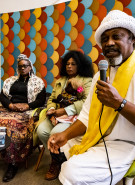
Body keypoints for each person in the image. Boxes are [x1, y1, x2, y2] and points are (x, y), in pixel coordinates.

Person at [47, 10, 135, 185]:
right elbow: (86, 116)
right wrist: (65, 134)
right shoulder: (100, 76)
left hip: (132, 144)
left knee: (71, 172)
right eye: (105, 39)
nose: (109, 43)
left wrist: (119, 103)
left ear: (132, 39)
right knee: (61, 141)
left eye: (116, 36)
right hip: (100, 137)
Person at [0, 54, 46, 182]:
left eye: (25, 66)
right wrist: (10, 105)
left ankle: (13, 163)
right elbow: (2, 97)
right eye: (20, 66)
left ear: (30, 67)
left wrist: (27, 105)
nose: (22, 68)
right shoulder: (10, 80)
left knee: (12, 126)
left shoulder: (38, 82)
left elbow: (41, 100)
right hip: (9, 108)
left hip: (28, 110)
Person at [36, 50, 93, 180]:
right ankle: (58, 158)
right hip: (56, 116)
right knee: (41, 131)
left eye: (73, 64)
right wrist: (51, 108)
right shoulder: (60, 81)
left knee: (54, 134)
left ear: (80, 65)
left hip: (76, 118)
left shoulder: (87, 81)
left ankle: (56, 162)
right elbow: (51, 99)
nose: (69, 66)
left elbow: (86, 102)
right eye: (67, 64)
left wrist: (65, 111)